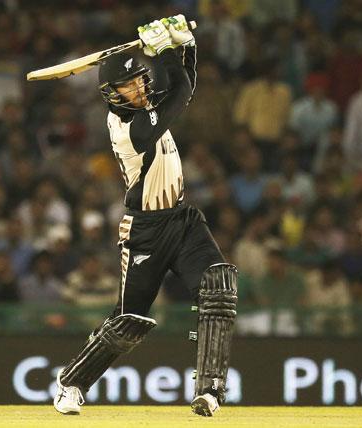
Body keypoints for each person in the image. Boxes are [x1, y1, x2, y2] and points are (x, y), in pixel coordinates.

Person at [52, 16, 237, 417]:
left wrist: (184, 43)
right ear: (111, 94)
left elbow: (184, 84)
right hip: (146, 231)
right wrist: (164, 50)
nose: (138, 87)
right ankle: (71, 383)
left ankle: (210, 391)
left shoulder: (149, 107)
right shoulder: (127, 128)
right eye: (128, 84)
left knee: (218, 286)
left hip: (183, 221)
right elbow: (182, 91)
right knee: (129, 321)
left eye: (140, 80)